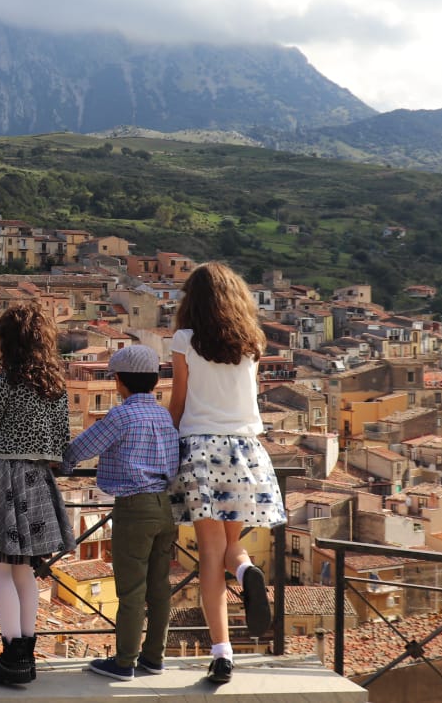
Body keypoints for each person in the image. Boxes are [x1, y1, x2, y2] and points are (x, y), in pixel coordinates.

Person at [168, 261, 285, 685]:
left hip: (201, 450)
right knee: (232, 547)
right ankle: (246, 572)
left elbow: (179, 403)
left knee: (208, 557)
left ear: (192, 300)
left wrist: (165, 444)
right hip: (245, 451)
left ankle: (222, 654)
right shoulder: (253, 342)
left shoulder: (185, 339)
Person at [0, 302, 74, 686]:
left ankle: (11, 657)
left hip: (6, 476)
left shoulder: (6, 381)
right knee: (25, 570)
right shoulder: (55, 385)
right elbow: (63, 439)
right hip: (39, 480)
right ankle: (24, 653)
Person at [63, 345, 180, 681]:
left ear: (119, 382)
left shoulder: (121, 415)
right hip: (165, 505)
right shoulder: (163, 415)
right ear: (156, 380)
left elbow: (83, 447)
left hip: (135, 507)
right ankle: (154, 658)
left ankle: (125, 661)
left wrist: (65, 462)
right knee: (159, 587)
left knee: (131, 590)